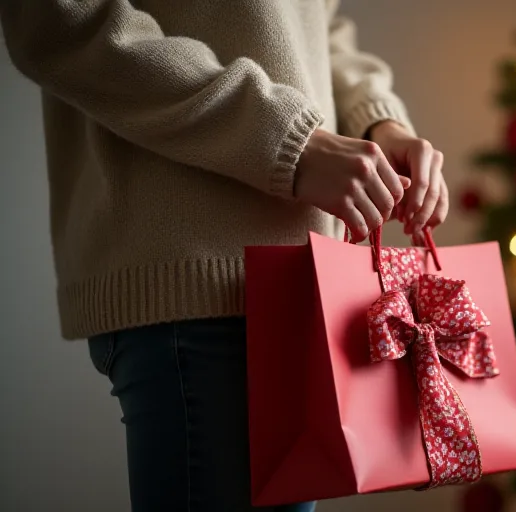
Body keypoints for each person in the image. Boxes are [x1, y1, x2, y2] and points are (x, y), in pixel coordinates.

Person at [1, 1, 448, 510]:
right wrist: (287, 141)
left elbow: (319, 22)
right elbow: (59, 21)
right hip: (201, 279)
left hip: (299, 281)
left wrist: (378, 121)